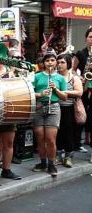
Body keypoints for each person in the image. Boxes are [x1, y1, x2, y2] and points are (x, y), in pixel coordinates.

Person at [32, 49, 67, 177]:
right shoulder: (36, 76)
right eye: (47, 60)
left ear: (56, 62)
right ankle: (43, 162)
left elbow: (64, 97)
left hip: (53, 108)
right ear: (44, 62)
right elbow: (30, 93)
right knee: (40, 138)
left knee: (51, 139)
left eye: (52, 60)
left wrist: (55, 89)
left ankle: (51, 164)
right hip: (39, 107)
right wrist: (40, 94)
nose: (50, 63)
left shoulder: (60, 78)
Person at [56, 54, 83, 167]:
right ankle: (58, 156)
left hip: (69, 108)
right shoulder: (54, 76)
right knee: (57, 133)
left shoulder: (74, 77)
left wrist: (62, 91)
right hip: (56, 108)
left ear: (68, 64)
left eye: (62, 62)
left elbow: (79, 92)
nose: (59, 64)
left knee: (69, 133)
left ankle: (68, 157)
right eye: (59, 62)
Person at [72, 27, 92, 150]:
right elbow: (73, 70)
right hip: (84, 88)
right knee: (80, 114)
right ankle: (77, 143)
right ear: (86, 38)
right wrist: (79, 78)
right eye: (90, 37)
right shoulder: (81, 53)